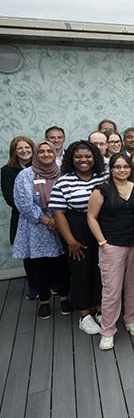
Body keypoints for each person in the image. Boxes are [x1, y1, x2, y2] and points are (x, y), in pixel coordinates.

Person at [87, 153, 134, 350]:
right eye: (118, 167)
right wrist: (102, 242)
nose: (122, 170)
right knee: (111, 290)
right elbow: (91, 217)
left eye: (126, 167)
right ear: (111, 169)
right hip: (112, 245)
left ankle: (131, 319)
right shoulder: (101, 190)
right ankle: (108, 330)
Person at [48, 140, 107, 335]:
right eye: (78, 157)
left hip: (100, 229)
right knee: (80, 272)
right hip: (76, 230)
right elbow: (58, 213)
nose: (84, 160)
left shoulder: (103, 177)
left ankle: (99, 309)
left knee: (100, 271)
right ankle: (84, 314)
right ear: (71, 159)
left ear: (95, 158)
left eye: (88, 156)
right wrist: (71, 241)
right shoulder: (64, 181)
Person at [12, 141, 70, 318]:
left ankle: (64, 298)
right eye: (42, 151)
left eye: (49, 151)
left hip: (62, 224)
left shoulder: (62, 173)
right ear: (36, 154)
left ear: (54, 153)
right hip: (36, 228)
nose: (46, 154)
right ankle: (44, 301)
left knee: (62, 265)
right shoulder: (25, 175)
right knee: (41, 267)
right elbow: (23, 202)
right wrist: (45, 219)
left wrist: (58, 220)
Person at [2, 136, 34, 247]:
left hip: (45, 218)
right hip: (21, 217)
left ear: (32, 149)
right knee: (28, 257)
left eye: (27, 147)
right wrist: (31, 210)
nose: (24, 150)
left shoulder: (42, 167)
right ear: (14, 151)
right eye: (19, 148)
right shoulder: (6, 171)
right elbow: (10, 198)